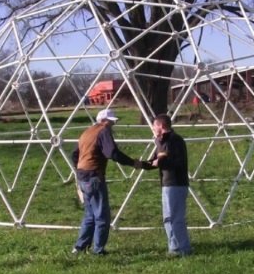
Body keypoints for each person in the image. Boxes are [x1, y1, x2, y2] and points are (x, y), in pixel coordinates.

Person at [71, 108, 148, 256]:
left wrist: (80, 168)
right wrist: (133, 163)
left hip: (82, 175)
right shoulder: (103, 131)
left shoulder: (87, 132)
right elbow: (112, 153)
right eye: (111, 122)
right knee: (102, 215)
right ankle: (98, 250)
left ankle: (80, 247)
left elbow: (74, 154)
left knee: (89, 214)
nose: (112, 125)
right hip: (94, 175)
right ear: (104, 121)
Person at [149, 114, 192, 256]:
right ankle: (174, 247)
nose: (153, 128)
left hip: (177, 184)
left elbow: (175, 162)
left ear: (161, 126)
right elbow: (157, 159)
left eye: (154, 125)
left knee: (176, 218)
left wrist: (159, 162)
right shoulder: (162, 141)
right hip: (167, 184)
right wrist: (143, 164)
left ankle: (184, 249)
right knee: (168, 218)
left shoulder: (175, 141)